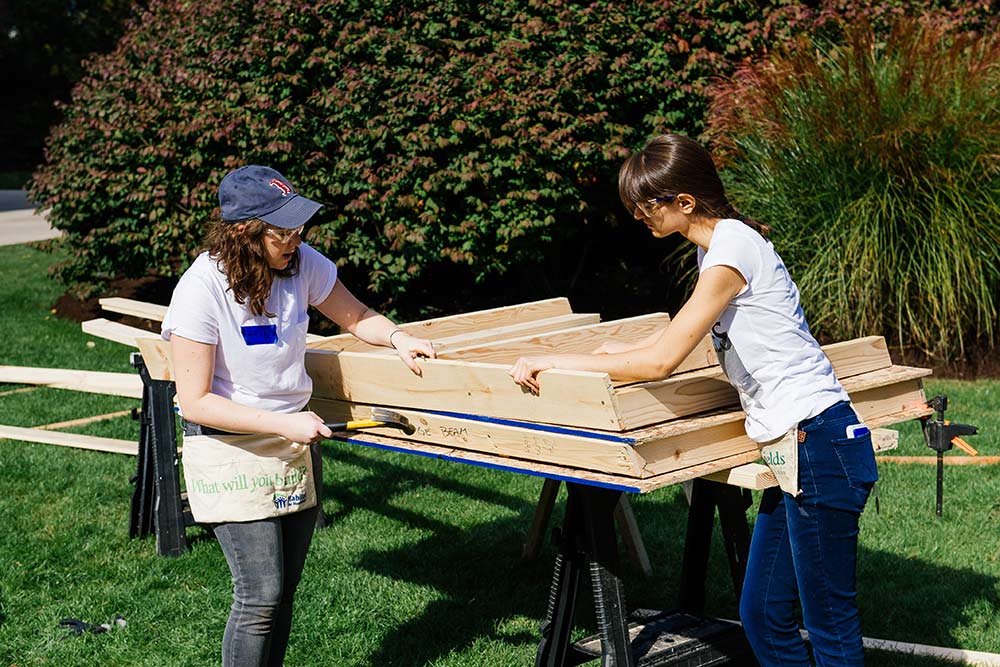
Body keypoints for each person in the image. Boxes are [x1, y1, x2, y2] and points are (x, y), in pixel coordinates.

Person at [509, 134, 877, 666]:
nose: (639, 215)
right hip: (789, 446)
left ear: (684, 202)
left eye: (645, 205)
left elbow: (663, 362)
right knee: (764, 617)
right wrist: (622, 349)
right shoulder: (715, 249)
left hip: (817, 440)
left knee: (829, 626)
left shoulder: (732, 249)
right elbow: (681, 339)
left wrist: (560, 361)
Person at [161, 165, 435, 667]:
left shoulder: (302, 263)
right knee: (259, 594)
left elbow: (356, 317)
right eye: (283, 231)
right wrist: (286, 423)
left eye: (299, 228)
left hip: (292, 443)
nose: (296, 239)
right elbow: (195, 401)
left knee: (285, 590)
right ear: (245, 232)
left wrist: (399, 337)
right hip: (230, 446)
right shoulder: (200, 289)